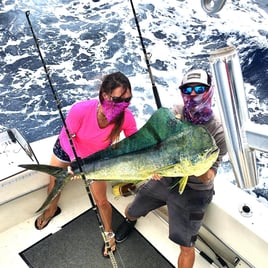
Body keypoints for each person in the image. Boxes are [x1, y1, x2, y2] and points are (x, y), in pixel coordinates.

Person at [115, 69, 227, 268]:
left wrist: (194, 164)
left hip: (194, 191)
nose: (193, 94)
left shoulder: (218, 130)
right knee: (132, 210)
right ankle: (130, 221)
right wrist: (157, 165)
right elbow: (155, 145)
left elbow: (209, 177)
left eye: (200, 88)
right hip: (166, 178)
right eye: (188, 89)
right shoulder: (175, 113)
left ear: (210, 91)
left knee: (186, 246)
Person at [34, 71, 138, 257]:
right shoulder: (81, 110)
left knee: (102, 201)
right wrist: (75, 161)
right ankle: (50, 211)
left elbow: (136, 143)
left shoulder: (126, 117)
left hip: (95, 161)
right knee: (54, 186)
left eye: (127, 100)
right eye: (118, 100)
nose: (124, 105)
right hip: (68, 152)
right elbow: (66, 137)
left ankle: (109, 234)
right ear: (105, 96)